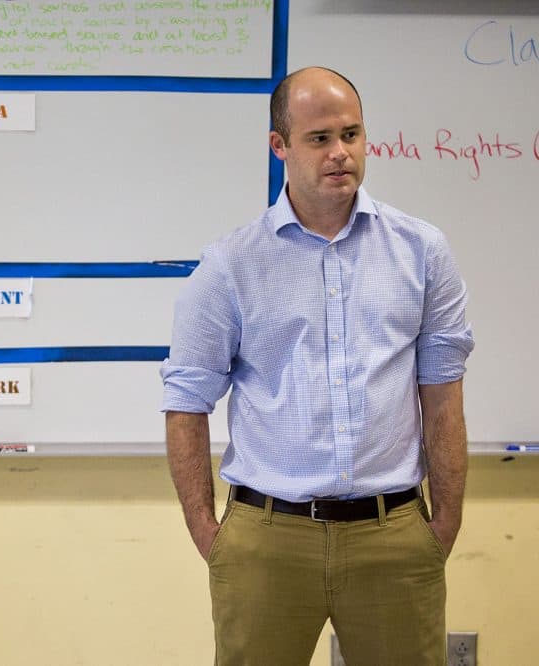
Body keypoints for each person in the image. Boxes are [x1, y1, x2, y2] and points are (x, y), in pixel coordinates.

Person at [160, 67, 474, 665]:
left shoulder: (422, 251)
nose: (340, 154)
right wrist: (212, 534)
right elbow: (186, 402)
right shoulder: (231, 264)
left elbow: (444, 396)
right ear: (279, 146)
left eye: (352, 135)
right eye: (319, 139)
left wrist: (444, 524)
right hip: (266, 540)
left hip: (394, 535)